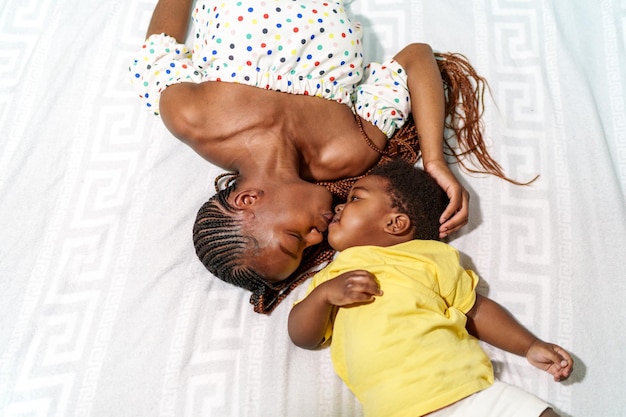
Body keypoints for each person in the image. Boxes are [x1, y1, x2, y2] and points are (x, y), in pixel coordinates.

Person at [130, 0, 528, 313]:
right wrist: (435, 161)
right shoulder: (348, 153)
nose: (317, 237)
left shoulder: (194, 119)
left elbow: (158, 46)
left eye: (294, 240)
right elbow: (417, 58)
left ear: (247, 200)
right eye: (308, 249)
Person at [288, 158, 572, 417]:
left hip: (468, 390)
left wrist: (529, 346)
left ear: (395, 223)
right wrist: (322, 297)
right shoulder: (336, 274)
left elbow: (476, 310)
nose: (339, 206)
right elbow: (303, 336)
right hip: (397, 410)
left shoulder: (430, 258)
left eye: (355, 198)